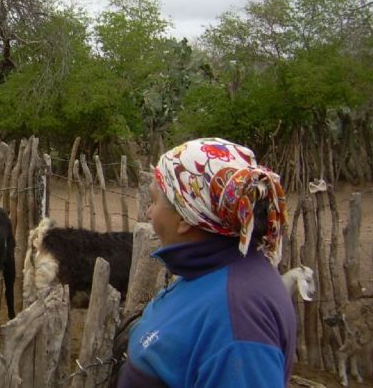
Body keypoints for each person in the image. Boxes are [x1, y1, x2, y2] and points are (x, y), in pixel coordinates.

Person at [116, 137, 296, 388]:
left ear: (185, 217)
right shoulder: (209, 273)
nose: (149, 213)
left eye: (155, 201)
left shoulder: (239, 320)